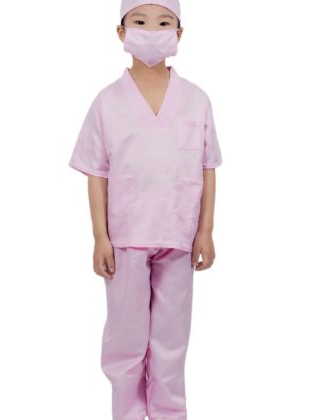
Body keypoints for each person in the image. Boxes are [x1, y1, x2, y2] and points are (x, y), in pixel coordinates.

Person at [68, 1, 223, 418]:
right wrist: (100, 237)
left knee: (171, 342)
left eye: (163, 22)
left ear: (179, 33)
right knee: (126, 340)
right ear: (121, 32)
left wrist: (205, 231)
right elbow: (97, 173)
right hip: (126, 238)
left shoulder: (196, 100)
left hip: (178, 236)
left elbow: (207, 168)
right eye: (139, 21)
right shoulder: (107, 102)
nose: (152, 30)